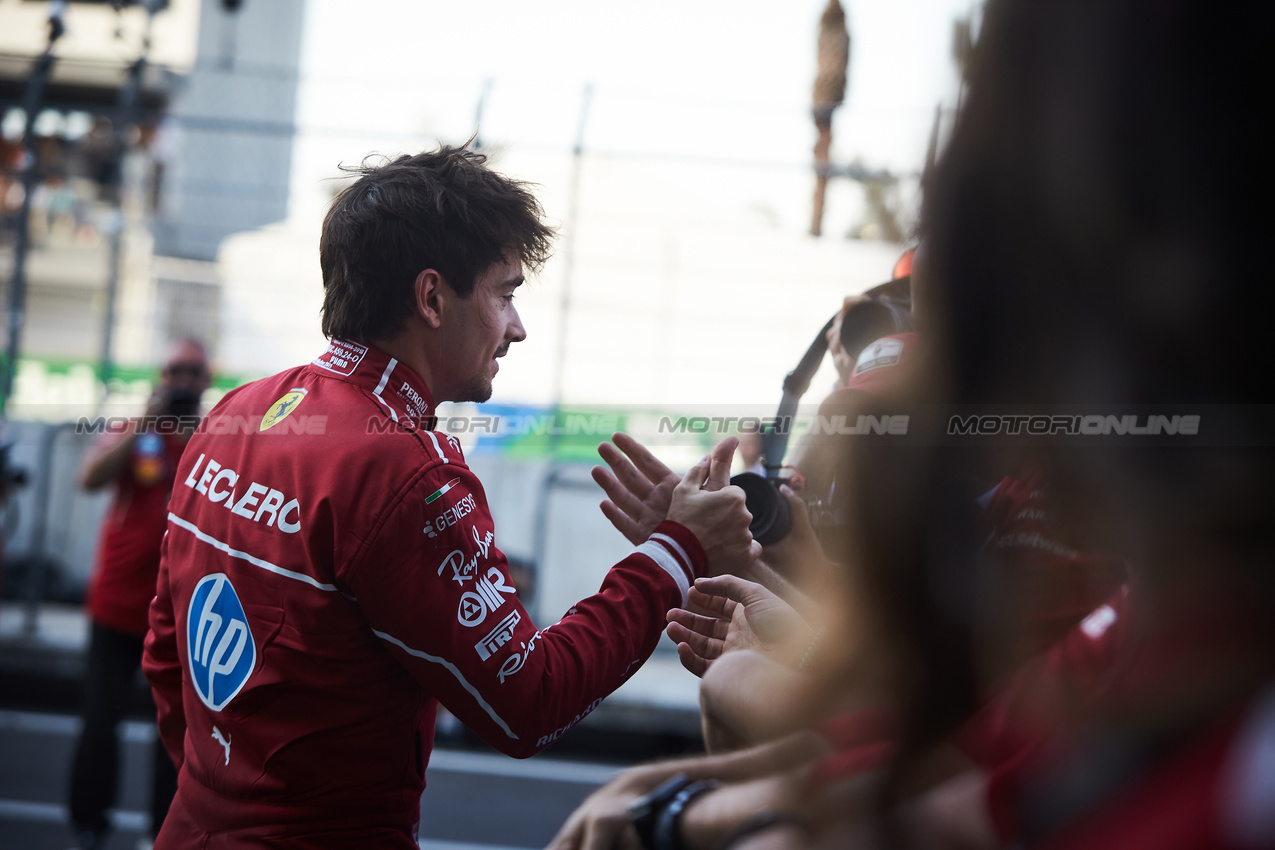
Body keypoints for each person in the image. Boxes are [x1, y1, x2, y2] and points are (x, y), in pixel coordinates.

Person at [141, 146, 759, 848]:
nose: (517, 326)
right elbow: (529, 701)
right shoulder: (405, 471)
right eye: (504, 292)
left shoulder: (242, 409)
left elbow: (166, 647)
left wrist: (220, 791)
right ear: (432, 298)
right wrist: (676, 553)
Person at [69, 339, 209, 849]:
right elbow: (90, 477)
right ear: (160, 374)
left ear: (206, 380)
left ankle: (162, 834)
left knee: (173, 736)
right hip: (116, 608)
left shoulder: (213, 435)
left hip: (177, 613)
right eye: (176, 370)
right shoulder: (134, 429)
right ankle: (88, 825)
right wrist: (145, 423)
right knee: (99, 724)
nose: (184, 381)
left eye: (194, 372)